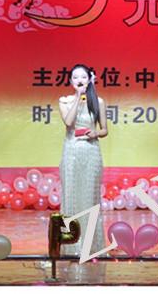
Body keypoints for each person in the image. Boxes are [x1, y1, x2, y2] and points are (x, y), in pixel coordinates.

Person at [59, 64, 107, 256]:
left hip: (91, 152)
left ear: (90, 80)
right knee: (71, 197)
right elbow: (68, 122)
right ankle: (71, 245)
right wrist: (78, 98)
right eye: (75, 77)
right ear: (71, 81)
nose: (79, 80)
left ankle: (91, 246)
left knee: (89, 199)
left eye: (83, 77)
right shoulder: (65, 101)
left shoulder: (98, 102)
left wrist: (95, 133)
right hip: (71, 153)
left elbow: (104, 130)